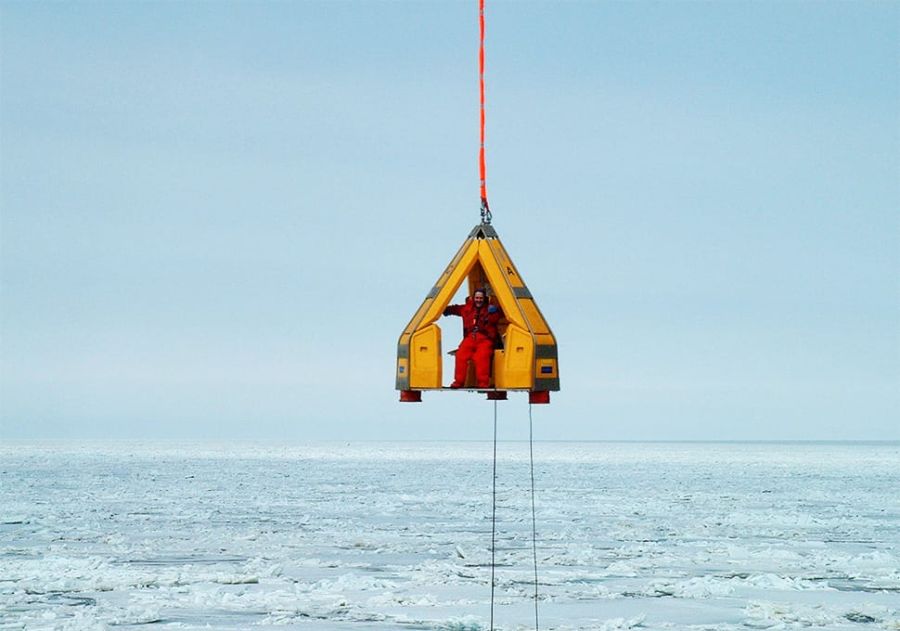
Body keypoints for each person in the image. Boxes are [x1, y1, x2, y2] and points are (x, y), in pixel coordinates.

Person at [442, 288, 501, 388]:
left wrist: (496, 311)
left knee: (481, 357)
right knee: (460, 355)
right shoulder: (466, 309)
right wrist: (444, 310)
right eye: (477, 298)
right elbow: (455, 309)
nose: (479, 300)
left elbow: (501, 314)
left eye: (481, 298)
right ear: (473, 298)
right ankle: (458, 382)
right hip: (470, 338)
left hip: (485, 339)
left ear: (484, 299)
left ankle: (483, 384)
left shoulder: (490, 310)